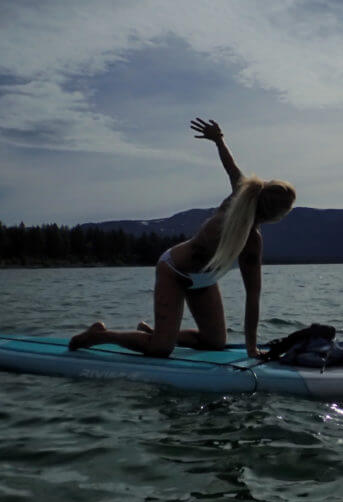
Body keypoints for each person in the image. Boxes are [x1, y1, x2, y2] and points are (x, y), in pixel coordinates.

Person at [69, 118, 296, 358]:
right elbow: (253, 298)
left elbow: (253, 297)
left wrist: (219, 139)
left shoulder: (251, 237)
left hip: (203, 281)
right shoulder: (243, 202)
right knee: (160, 349)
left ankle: (157, 332)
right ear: (276, 216)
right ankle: (99, 335)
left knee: (214, 342)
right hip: (174, 270)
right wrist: (251, 348)